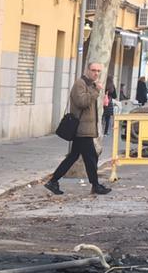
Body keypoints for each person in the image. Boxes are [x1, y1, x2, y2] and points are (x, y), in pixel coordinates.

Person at [45, 62, 111, 196]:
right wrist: (97, 90)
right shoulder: (80, 84)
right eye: (93, 70)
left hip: (86, 128)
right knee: (90, 157)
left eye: (99, 71)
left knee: (75, 157)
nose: (96, 73)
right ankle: (95, 185)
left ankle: (53, 181)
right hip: (81, 129)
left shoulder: (90, 85)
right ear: (87, 70)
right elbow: (83, 102)